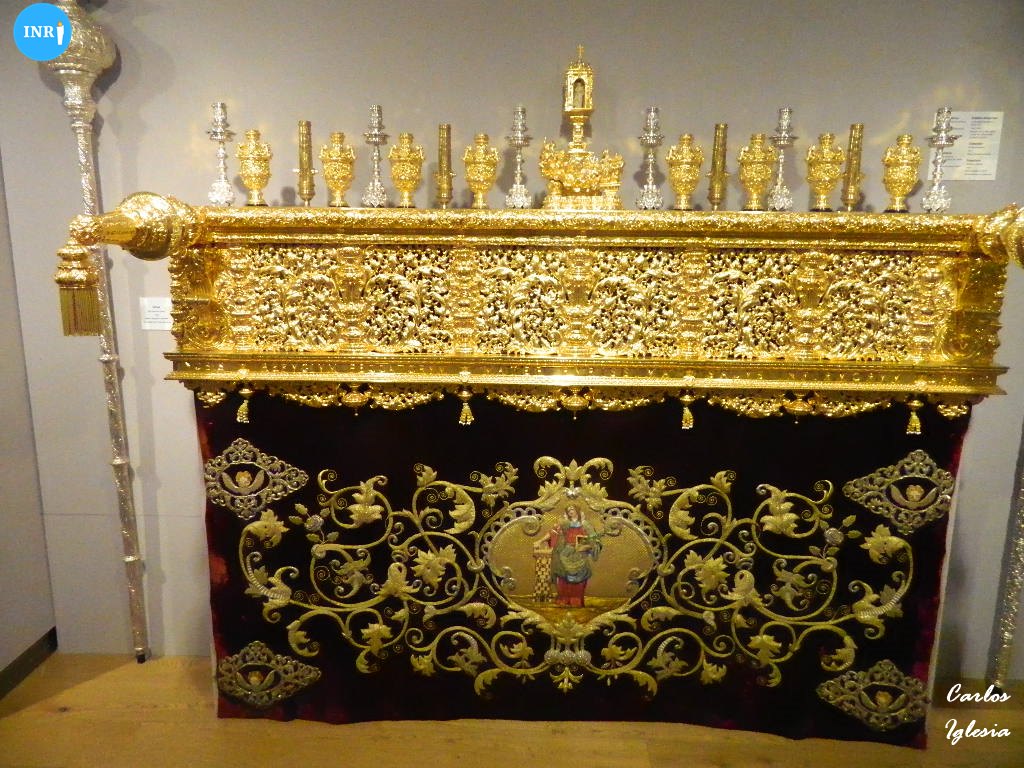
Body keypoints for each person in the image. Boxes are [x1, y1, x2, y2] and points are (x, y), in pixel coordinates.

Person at [535, 503, 602, 607]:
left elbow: (594, 539)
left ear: (577, 511)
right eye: (569, 510)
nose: (571, 511)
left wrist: (589, 545)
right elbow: (552, 533)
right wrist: (540, 541)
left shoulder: (585, 524)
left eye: (572, 509)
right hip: (565, 553)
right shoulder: (564, 524)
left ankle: (576, 601)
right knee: (563, 577)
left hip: (579, 554)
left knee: (579, 578)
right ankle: (564, 599)